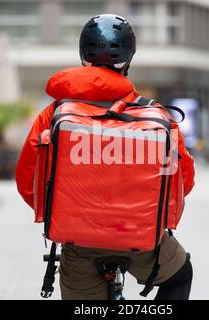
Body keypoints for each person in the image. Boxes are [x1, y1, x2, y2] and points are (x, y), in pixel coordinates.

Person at [16, 14, 195, 300]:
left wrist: (62, 213)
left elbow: (28, 181)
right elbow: (183, 180)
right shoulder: (157, 116)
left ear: (83, 54)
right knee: (181, 276)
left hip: (78, 243)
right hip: (143, 241)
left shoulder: (54, 114)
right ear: (128, 57)